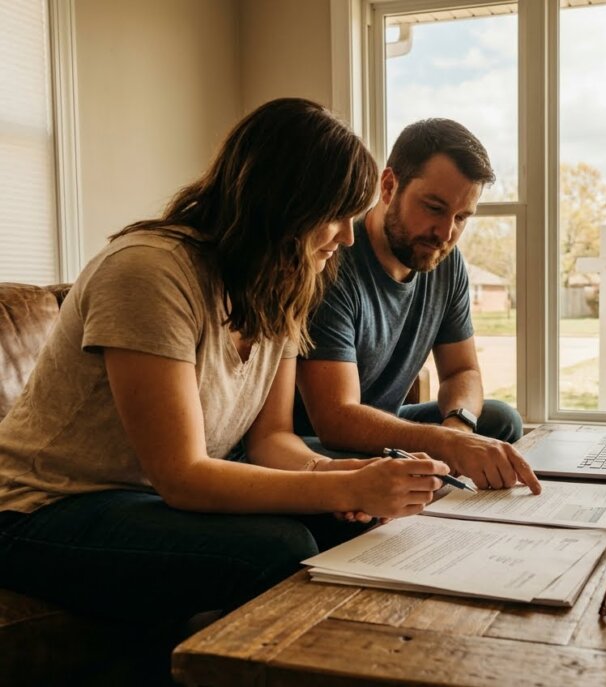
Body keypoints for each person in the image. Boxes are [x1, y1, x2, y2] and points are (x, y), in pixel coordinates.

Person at [0, 99, 450, 645]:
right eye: (334, 215)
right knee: (277, 549)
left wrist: (349, 478)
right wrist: (347, 485)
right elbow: (182, 475)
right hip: (40, 508)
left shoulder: (284, 284)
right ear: (283, 202)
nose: (348, 238)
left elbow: (273, 440)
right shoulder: (148, 271)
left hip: (143, 501)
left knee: (348, 521)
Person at [294, 118, 541, 494]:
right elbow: (335, 418)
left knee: (500, 421)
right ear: (390, 185)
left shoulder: (446, 260)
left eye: (461, 218)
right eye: (434, 208)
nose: (445, 233)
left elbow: (463, 371)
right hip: (314, 444)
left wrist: (458, 429)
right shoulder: (333, 258)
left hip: (386, 424)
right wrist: (447, 445)